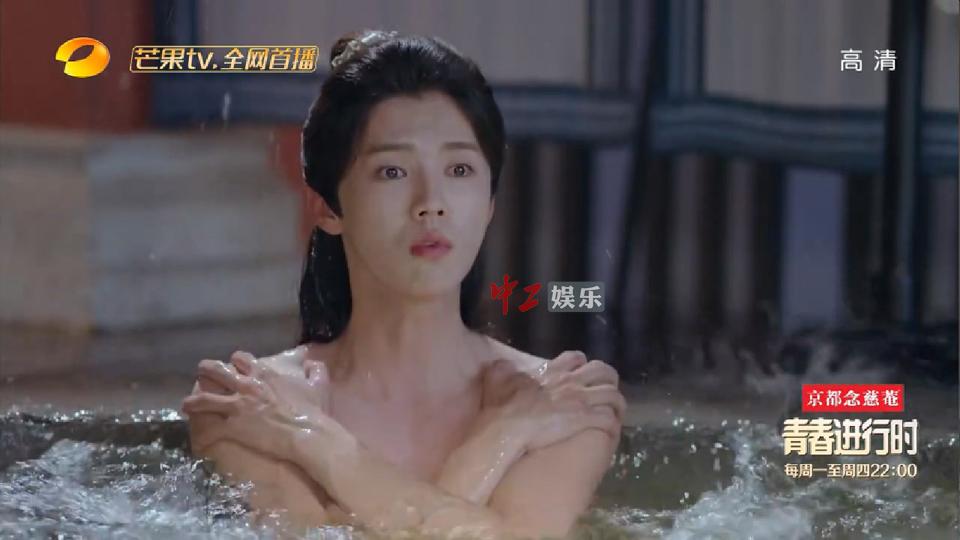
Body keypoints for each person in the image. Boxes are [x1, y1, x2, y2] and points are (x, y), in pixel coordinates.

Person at [181, 29, 626, 539]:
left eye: (459, 169)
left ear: (489, 204)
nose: (431, 202)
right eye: (392, 171)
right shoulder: (247, 399)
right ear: (327, 208)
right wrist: (503, 435)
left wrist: (314, 441)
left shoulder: (562, 398)